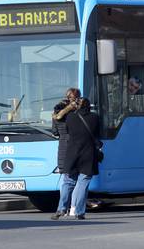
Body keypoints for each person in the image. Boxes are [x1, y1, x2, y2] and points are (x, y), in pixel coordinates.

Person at [52, 98, 100, 220]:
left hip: (72, 154)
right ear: (89, 106)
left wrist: (68, 108)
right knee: (83, 183)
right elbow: (97, 134)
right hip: (88, 154)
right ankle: (79, 212)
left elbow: (58, 119)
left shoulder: (70, 118)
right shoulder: (95, 118)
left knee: (68, 182)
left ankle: (61, 209)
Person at [50, 88, 81, 220]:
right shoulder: (76, 113)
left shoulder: (56, 114)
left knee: (66, 181)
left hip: (62, 149)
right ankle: (74, 208)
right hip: (75, 148)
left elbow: (55, 132)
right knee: (79, 180)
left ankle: (62, 208)